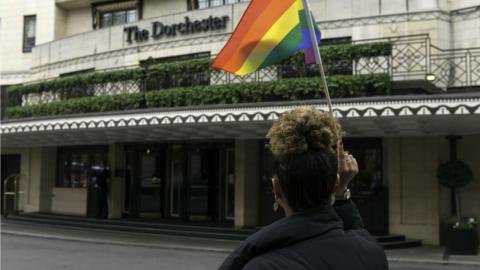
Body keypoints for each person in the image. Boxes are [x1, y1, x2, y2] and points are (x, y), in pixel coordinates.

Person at [219, 107, 388, 270]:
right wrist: (341, 191)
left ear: (276, 190)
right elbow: (357, 233)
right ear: (334, 183)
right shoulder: (372, 254)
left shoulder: (262, 265)